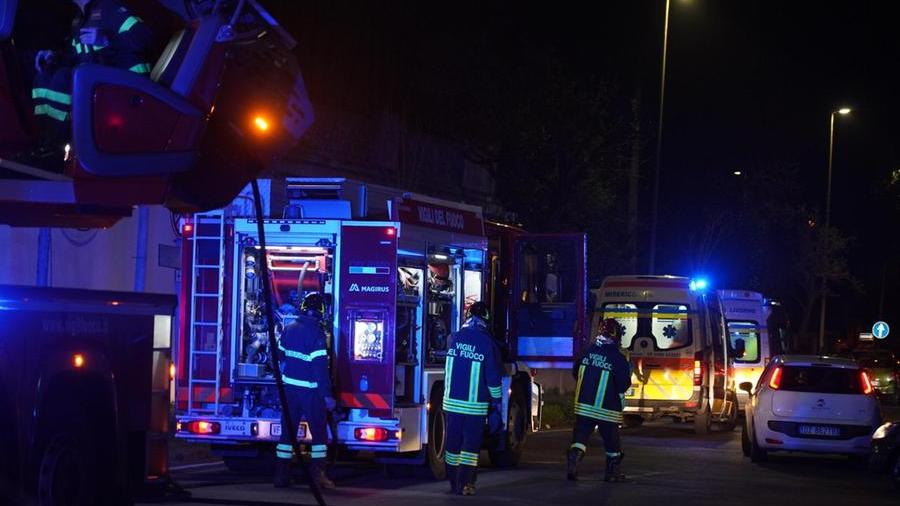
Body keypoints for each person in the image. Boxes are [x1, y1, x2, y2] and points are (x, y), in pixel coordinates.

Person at [25, 0, 153, 167]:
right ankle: (47, 142)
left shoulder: (110, 8)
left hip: (128, 86)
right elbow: (76, 55)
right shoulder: (79, 19)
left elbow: (144, 36)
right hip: (100, 83)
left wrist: (107, 40)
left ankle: (56, 146)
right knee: (44, 75)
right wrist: (53, 56)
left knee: (63, 79)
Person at [274, 292, 336, 490]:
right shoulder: (316, 334)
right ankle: (318, 477)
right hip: (310, 392)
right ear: (321, 313)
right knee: (319, 435)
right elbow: (320, 368)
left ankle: (281, 476)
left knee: (287, 434)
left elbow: (280, 355)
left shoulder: (289, 329)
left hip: (289, 389)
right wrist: (327, 396)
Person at [443, 301, 504, 496]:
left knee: (452, 445)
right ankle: (466, 483)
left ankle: (453, 483)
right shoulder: (487, 343)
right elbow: (493, 379)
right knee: (470, 447)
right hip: (474, 407)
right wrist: (496, 402)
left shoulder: (453, 338)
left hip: (451, 404)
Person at [567, 318, 631, 483]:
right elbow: (623, 385)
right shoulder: (617, 358)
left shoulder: (586, 351)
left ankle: (573, 463)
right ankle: (612, 473)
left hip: (583, 407)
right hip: (607, 409)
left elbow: (575, 373)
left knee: (580, 438)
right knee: (611, 442)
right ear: (616, 336)